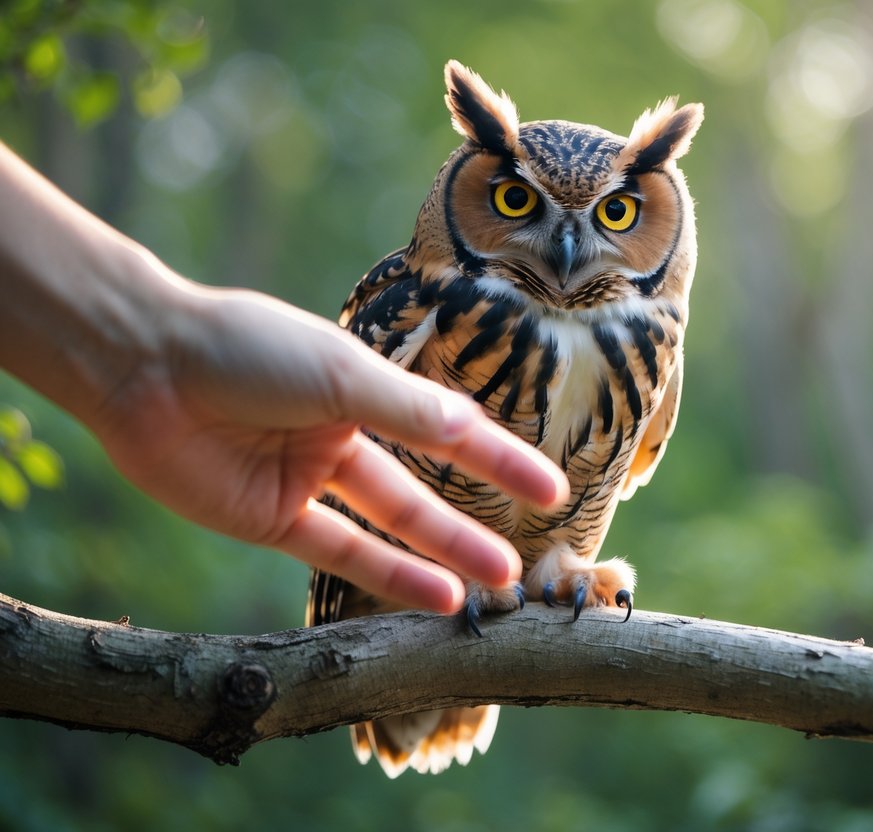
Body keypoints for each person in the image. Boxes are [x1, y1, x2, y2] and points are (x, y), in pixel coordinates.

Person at [0, 140, 569, 615]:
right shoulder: (415, 302)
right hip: (412, 585)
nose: (567, 250)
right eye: (516, 201)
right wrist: (154, 357)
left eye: (616, 215)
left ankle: (557, 568)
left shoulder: (657, 351)